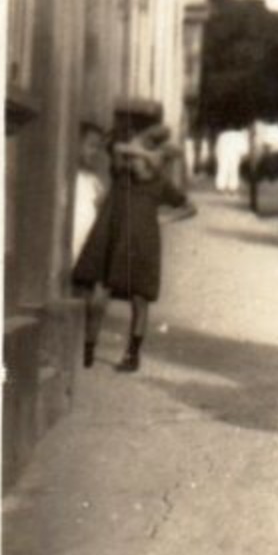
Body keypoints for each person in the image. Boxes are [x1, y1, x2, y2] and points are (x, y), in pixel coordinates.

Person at [73, 99, 196, 372]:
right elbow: (115, 147)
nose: (133, 164)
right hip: (115, 242)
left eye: (140, 161)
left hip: (143, 246)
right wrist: (140, 145)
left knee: (140, 300)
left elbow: (189, 207)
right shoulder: (121, 176)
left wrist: (165, 218)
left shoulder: (160, 184)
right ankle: (88, 348)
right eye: (133, 160)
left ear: (153, 164)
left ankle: (133, 354)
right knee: (99, 297)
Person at [72, 121, 110, 262]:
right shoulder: (67, 178)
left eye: (99, 148)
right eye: (91, 146)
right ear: (76, 144)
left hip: (85, 258)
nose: (95, 153)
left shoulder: (94, 182)